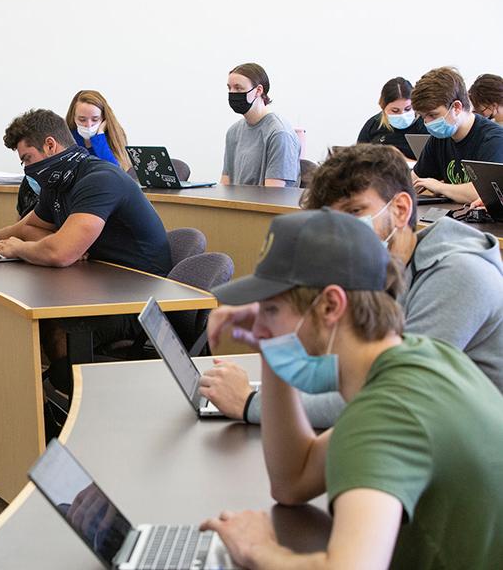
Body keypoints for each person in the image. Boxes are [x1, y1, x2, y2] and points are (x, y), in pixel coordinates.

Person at [199, 209, 503, 570]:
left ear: (330, 305)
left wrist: (259, 549)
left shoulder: (385, 413)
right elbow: (292, 480)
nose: (259, 325)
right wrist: (272, 350)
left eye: (271, 308)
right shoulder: (423, 359)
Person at [200, 144, 503, 427]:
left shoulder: (460, 272)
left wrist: (251, 403)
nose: (341, 229)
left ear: (400, 209)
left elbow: (391, 396)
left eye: (355, 211)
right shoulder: (383, 269)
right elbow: (347, 366)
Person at [0, 109, 170, 414]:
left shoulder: (99, 179)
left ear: (50, 145)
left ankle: (79, 415)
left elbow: (60, 253)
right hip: (101, 286)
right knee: (36, 321)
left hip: (137, 300)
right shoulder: (59, 180)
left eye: (27, 159)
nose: (27, 169)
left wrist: (20, 248)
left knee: (55, 327)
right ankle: (60, 405)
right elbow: (32, 227)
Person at [16, 90, 130, 218]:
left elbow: (114, 174)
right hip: (63, 199)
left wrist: (99, 138)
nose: (89, 125)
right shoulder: (66, 138)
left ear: (104, 119)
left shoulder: (112, 138)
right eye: (82, 119)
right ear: (73, 118)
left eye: (95, 119)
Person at [411, 66, 503, 203]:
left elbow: (485, 194)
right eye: (423, 116)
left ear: (457, 107)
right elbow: (415, 179)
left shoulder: (493, 139)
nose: (427, 122)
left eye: (432, 115)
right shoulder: (439, 138)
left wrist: (440, 187)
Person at [222, 63, 300, 187]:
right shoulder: (233, 132)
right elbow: (225, 186)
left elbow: (274, 196)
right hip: (237, 205)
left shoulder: (279, 134)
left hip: (263, 205)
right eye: (229, 88)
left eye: (238, 88)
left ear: (258, 90)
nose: (232, 93)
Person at [356, 77, 428, 161]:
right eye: (395, 110)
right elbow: (358, 160)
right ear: (383, 107)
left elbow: (436, 167)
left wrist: (400, 159)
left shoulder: (426, 125)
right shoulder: (373, 125)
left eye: (408, 109)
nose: (403, 115)